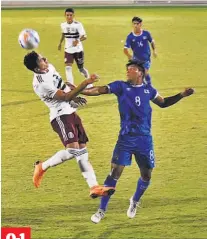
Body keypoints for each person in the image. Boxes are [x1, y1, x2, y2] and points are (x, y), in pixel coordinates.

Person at [81, 60, 194, 223]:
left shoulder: (149, 90)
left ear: (140, 73)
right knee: (114, 173)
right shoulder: (120, 87)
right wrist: (80, 90)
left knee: (146, 175)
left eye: (131, 69)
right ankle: (101, 210)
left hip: (144, 140)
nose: (127, 71)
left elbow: (163, 103)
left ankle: (134, 201)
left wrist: (182, 95)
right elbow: (99, 90)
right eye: (127, 68)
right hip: (125, 139)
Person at [23, 51, 115, 199]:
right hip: (60, 116)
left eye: (42, 57)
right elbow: (65, 96)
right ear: (36, 69)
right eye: (41, 60)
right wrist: (85, 83)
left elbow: (62, 85)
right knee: (73, 151)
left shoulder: (49, 67)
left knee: (82, 152)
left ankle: (94, 187)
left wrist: (73, 91)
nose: (45, 59)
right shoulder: (41, 84)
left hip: (71, 112)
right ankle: (42, 167)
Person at [58, 8, 91, 87]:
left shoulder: (78, 25)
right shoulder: (63, 25)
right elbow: (63, 34)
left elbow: (85, 36)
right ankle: (71, 86)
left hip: (78, 50)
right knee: (68, 68)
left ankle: (90, 82)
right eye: (67, 15)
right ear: (65, 16)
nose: (69, 17)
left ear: (73, 16)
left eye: (70, 15)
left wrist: (78, 40)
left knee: (81, 69)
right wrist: (60, 43)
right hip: (68, 50)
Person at [124, 16, 157, 85]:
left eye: (137, 24)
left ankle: (149, 86)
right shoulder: (130, 37)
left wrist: (154, 50)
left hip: (146, 59)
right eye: (134, 24)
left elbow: (152, 42)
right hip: (136, 60)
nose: (135, 25)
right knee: (138, 76)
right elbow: (125, 49)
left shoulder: (146, 33)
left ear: (140, 24)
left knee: (144, 73)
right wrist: (129, 56)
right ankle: (145, 86)